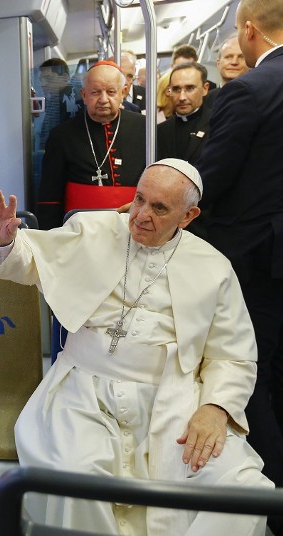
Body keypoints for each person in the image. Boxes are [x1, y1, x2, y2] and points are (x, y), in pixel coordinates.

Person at [0, 159, 273, 535]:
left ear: (188, 215)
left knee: (241, 487)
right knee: (79, 478)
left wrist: (215, 408)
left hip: (175, 400)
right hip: (85, 393)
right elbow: (31, 262)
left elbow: (233, 355)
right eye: (139, 200)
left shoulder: (214, 267)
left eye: (159, 208)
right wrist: (3, 241)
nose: (141, 215)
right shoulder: (93, 231)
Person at [194, 2, 283, 529]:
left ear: (249, 30)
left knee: (251, 378)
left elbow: (210, 179)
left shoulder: (247, 92)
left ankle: (268, 498)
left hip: (250, 261)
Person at [36, 61, 145, 230]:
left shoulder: (144, 128)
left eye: (110, 92)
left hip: (133, 225)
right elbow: (50, 197)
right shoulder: (62, 135)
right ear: (84, 95)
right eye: (95, 92)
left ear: (123, 93)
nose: (103, 99)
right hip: (79, 229)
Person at [157, 62, 211, 163]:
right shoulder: (160, 131)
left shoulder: (218, 126)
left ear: (205, 89)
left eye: (190, 88)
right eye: (176, 89)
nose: (182, 97)